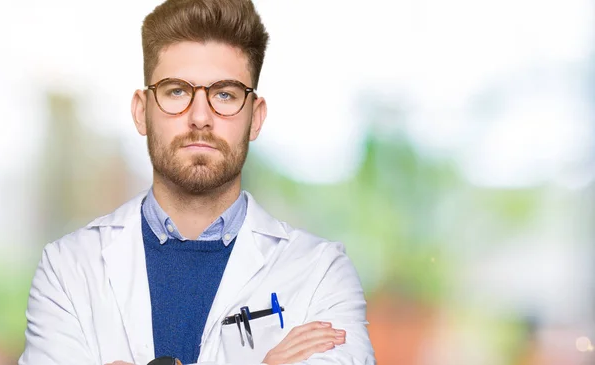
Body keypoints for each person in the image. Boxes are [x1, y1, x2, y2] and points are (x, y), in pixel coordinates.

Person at [19, 0, 375, 364]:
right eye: (176, 91)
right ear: (142, 112)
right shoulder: (67, 270)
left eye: (225, 94)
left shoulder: (322, 273)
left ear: (255, 118)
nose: (201, 117)